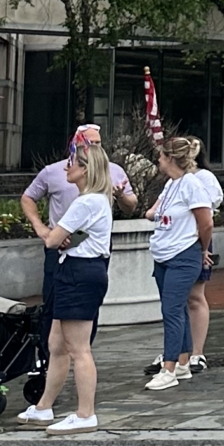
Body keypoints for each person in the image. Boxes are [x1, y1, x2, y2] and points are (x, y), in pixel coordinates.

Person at [17, 143, 116, 432]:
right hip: (77, 269)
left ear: (85, 169)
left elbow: (52, 240)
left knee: (79, 349)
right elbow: (72, 237)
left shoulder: (85, 202)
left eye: (72, 163)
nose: (66, 167)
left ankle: (86, 414)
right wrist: (63, 237)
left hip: (80, 274)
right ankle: (44, 407)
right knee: (57, 345)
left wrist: (47, 231)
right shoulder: (98, 201)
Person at [21, 128, 135, 359]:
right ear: (74, 145)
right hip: (63, 251)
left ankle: (79, 355)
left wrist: (120, 196)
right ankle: (49, 361)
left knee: (84, 316)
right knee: (53, 307)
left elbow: (129, 207)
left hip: (88, 254)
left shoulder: (105, 181)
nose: (95, 147)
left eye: (98, 143)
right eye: (89, 143)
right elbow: (28, 198)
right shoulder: (55, 172)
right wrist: (41, 228)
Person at [145, 136, 222, 392]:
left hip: (183, 254)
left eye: (161, 156)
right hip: (164, 254)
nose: (158, 160)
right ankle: (182, 361)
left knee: (172, 310)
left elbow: (206, 222)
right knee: (176, 309)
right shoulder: (171, 184)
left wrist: (203, 249)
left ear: (170, 158)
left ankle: (168, 369)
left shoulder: (192, 184)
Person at [173, 137, 224, 371]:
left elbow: (210, 207)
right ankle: (176, 351)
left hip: (195, 239)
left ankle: (197, 352)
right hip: (175, 241)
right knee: (175, 300)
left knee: (195, 295)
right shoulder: (173, 180)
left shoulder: (204, 177)